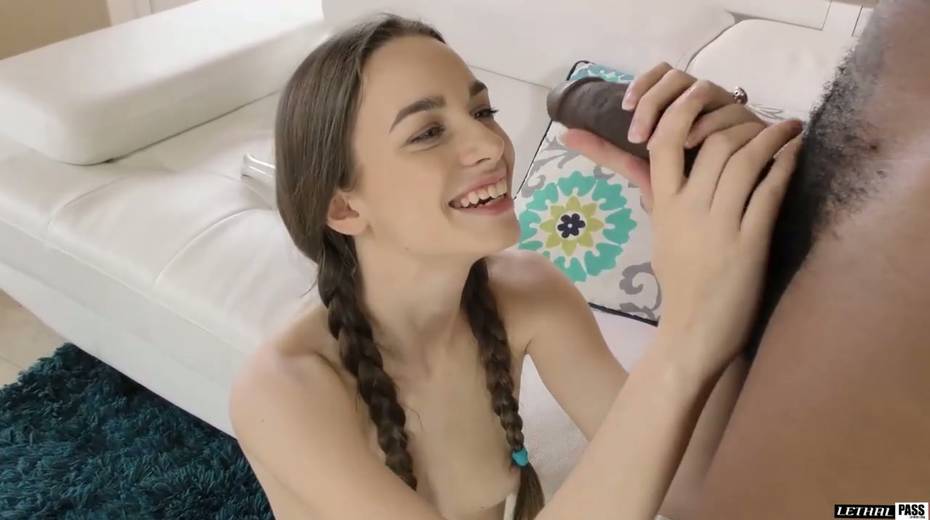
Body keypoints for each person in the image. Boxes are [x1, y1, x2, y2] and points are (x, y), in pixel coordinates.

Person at [228, 14, 802, 520]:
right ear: (343, 208)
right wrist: (685, 334)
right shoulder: (282, 393)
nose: (490, 144)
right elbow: (675, 380)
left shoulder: (529, 293)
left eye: (483, 110)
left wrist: (735, 244)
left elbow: (687, 490)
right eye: (428, 133)